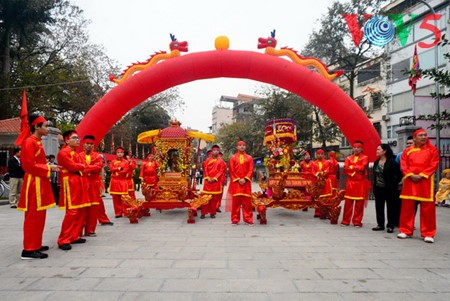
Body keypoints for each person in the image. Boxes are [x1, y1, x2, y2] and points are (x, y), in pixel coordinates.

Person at [17, 115, 59, 259]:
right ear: (37, 127)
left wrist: (49, 167)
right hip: (33, 182)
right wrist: (49, 168)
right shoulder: (29, 142)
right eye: (45, 126)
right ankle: (28, 249)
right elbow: (28, 166)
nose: (47, 128)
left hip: (39, 181)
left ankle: (35, 244)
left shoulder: (37, 142)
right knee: (33, 216)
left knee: (40, 215)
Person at [397, 128, 439, 243]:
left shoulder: (432, 150)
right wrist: (410, 174)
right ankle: (405, 230)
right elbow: (403, 164)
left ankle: (428, 233)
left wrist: (422, 175)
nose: (424, 137)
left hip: (425, 182)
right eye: (421, 135)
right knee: (407, 207)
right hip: (410, 181)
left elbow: (434, 164)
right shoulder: (407, 151)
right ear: (415, 138)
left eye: (425, 135)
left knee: (428, 209)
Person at [57, 130, 90, 251]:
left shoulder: (75, 153)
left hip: (78, 181)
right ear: (67, 140)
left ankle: (74, 236)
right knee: (72, 211)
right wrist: (81, 166)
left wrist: (81, 167)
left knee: (81, 210)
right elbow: (73, 166)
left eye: (78, 138)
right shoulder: (64, 152)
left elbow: (81, 166)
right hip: (70, 183)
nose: (78, 140)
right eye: (74, 138)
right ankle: (63, 239)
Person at [372, 144, 402, 233]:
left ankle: (390, 225)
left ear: (384, 151)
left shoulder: (392, 162)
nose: (377, 151)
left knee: (391, 207)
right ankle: (380, 224)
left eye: (378, 149)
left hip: (390, 189)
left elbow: (399, 175)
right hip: (378, 188)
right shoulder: (376, 162)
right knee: (379, 206)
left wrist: (394, 183)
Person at [79, 135, 106, 236]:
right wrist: (91, 167)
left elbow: (99, 167)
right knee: (82, 208)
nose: (89, 146)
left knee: (93, 207)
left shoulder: (97, 156)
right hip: (83, 184)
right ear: (83, 144)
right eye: (87, 144)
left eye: (91, 144)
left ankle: (90, 230)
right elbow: (79, 168)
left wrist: (86, 167)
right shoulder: (79, 156)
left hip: (94, 185)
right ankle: (80, 230)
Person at [341, 140, 369, 228]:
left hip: (360, 183)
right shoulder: (348, 158)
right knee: (348, 203)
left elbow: (363, 167)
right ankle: (345, 220)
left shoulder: (365, 158)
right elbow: (345, 169)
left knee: (359, 204)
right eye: (354, 147)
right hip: (350, 183)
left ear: (362, 149)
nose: (356, 149)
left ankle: (357, 221)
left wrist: (352, 167)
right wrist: (355, 170)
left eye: (358, 147)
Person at [228, 141, 254, 225]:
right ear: (237, 147)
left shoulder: (249, 158)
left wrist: (246, 178)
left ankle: (248, 218)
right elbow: (232, 170)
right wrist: (238, 179)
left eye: (243, 145)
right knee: (236, 202)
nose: (242, 147)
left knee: (247, 202)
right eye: (240, 145)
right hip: (236, 183)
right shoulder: (233, 157)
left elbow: (251, 169)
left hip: (246, 183)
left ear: (245, 147)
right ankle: (235, 219)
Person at [200, 145, 226, 219]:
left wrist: (215, 178)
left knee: (214, 199)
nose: (216, 152)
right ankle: (203, 213)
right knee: (205, 198)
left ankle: (212, 212)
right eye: (214, 150)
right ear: (212, 151)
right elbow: (205, 169)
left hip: (216, 182)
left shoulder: (221, 161)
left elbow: (221, 171)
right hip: (207, 182)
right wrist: (208, 178)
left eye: (217, 150)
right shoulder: (207, 160)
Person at [109, 147, 131, 218]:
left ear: (123, 154)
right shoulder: (113, 161)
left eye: (121, 152)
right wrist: (118, 168)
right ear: (116, 153)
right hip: (114, 181)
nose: (120, 154)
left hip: (122, 181)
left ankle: (126, 211)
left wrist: (116, 171)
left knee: (124, 197)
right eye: (118, 152)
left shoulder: (126, 162)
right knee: (115, 198)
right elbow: (111, 169)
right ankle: (118, 213)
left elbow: (125, 170)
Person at [313, 149, 332, 218]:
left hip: (325, 181)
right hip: (317, 181)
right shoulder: (314, 163)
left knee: (326, 197)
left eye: (321, 154)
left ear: (324, 155)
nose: (320, 155)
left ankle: (326, 212)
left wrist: (321, 174)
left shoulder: (327, 162)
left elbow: (327, 171)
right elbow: (313, 172)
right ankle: (317, 212)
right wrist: (318, 175)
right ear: (316, 155)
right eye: (318, 154)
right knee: (317, 197)